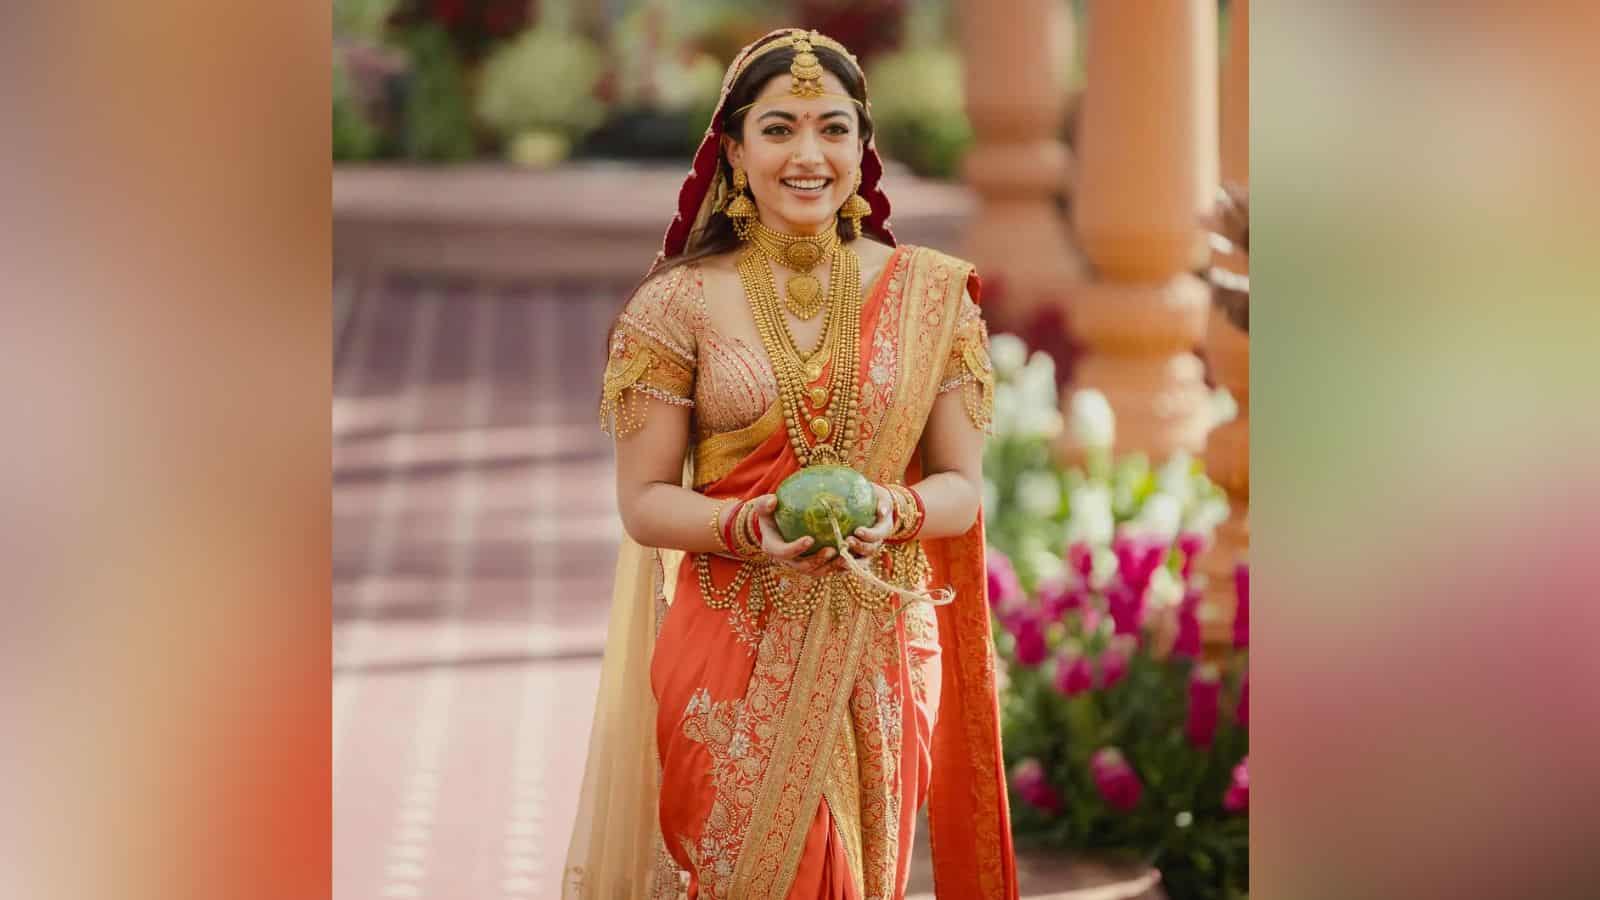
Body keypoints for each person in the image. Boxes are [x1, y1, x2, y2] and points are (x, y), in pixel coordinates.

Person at [565, 28, 1017, 900]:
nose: (808, 155)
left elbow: (961, 490)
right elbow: (644, 501)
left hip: (878, 645)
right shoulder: (676, 305)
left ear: (863, 147)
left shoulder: (933, 298)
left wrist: (891, 510)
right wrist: (748, 524)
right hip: (729, 643)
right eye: (778, 129)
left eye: (833, 129)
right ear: (734, 150)